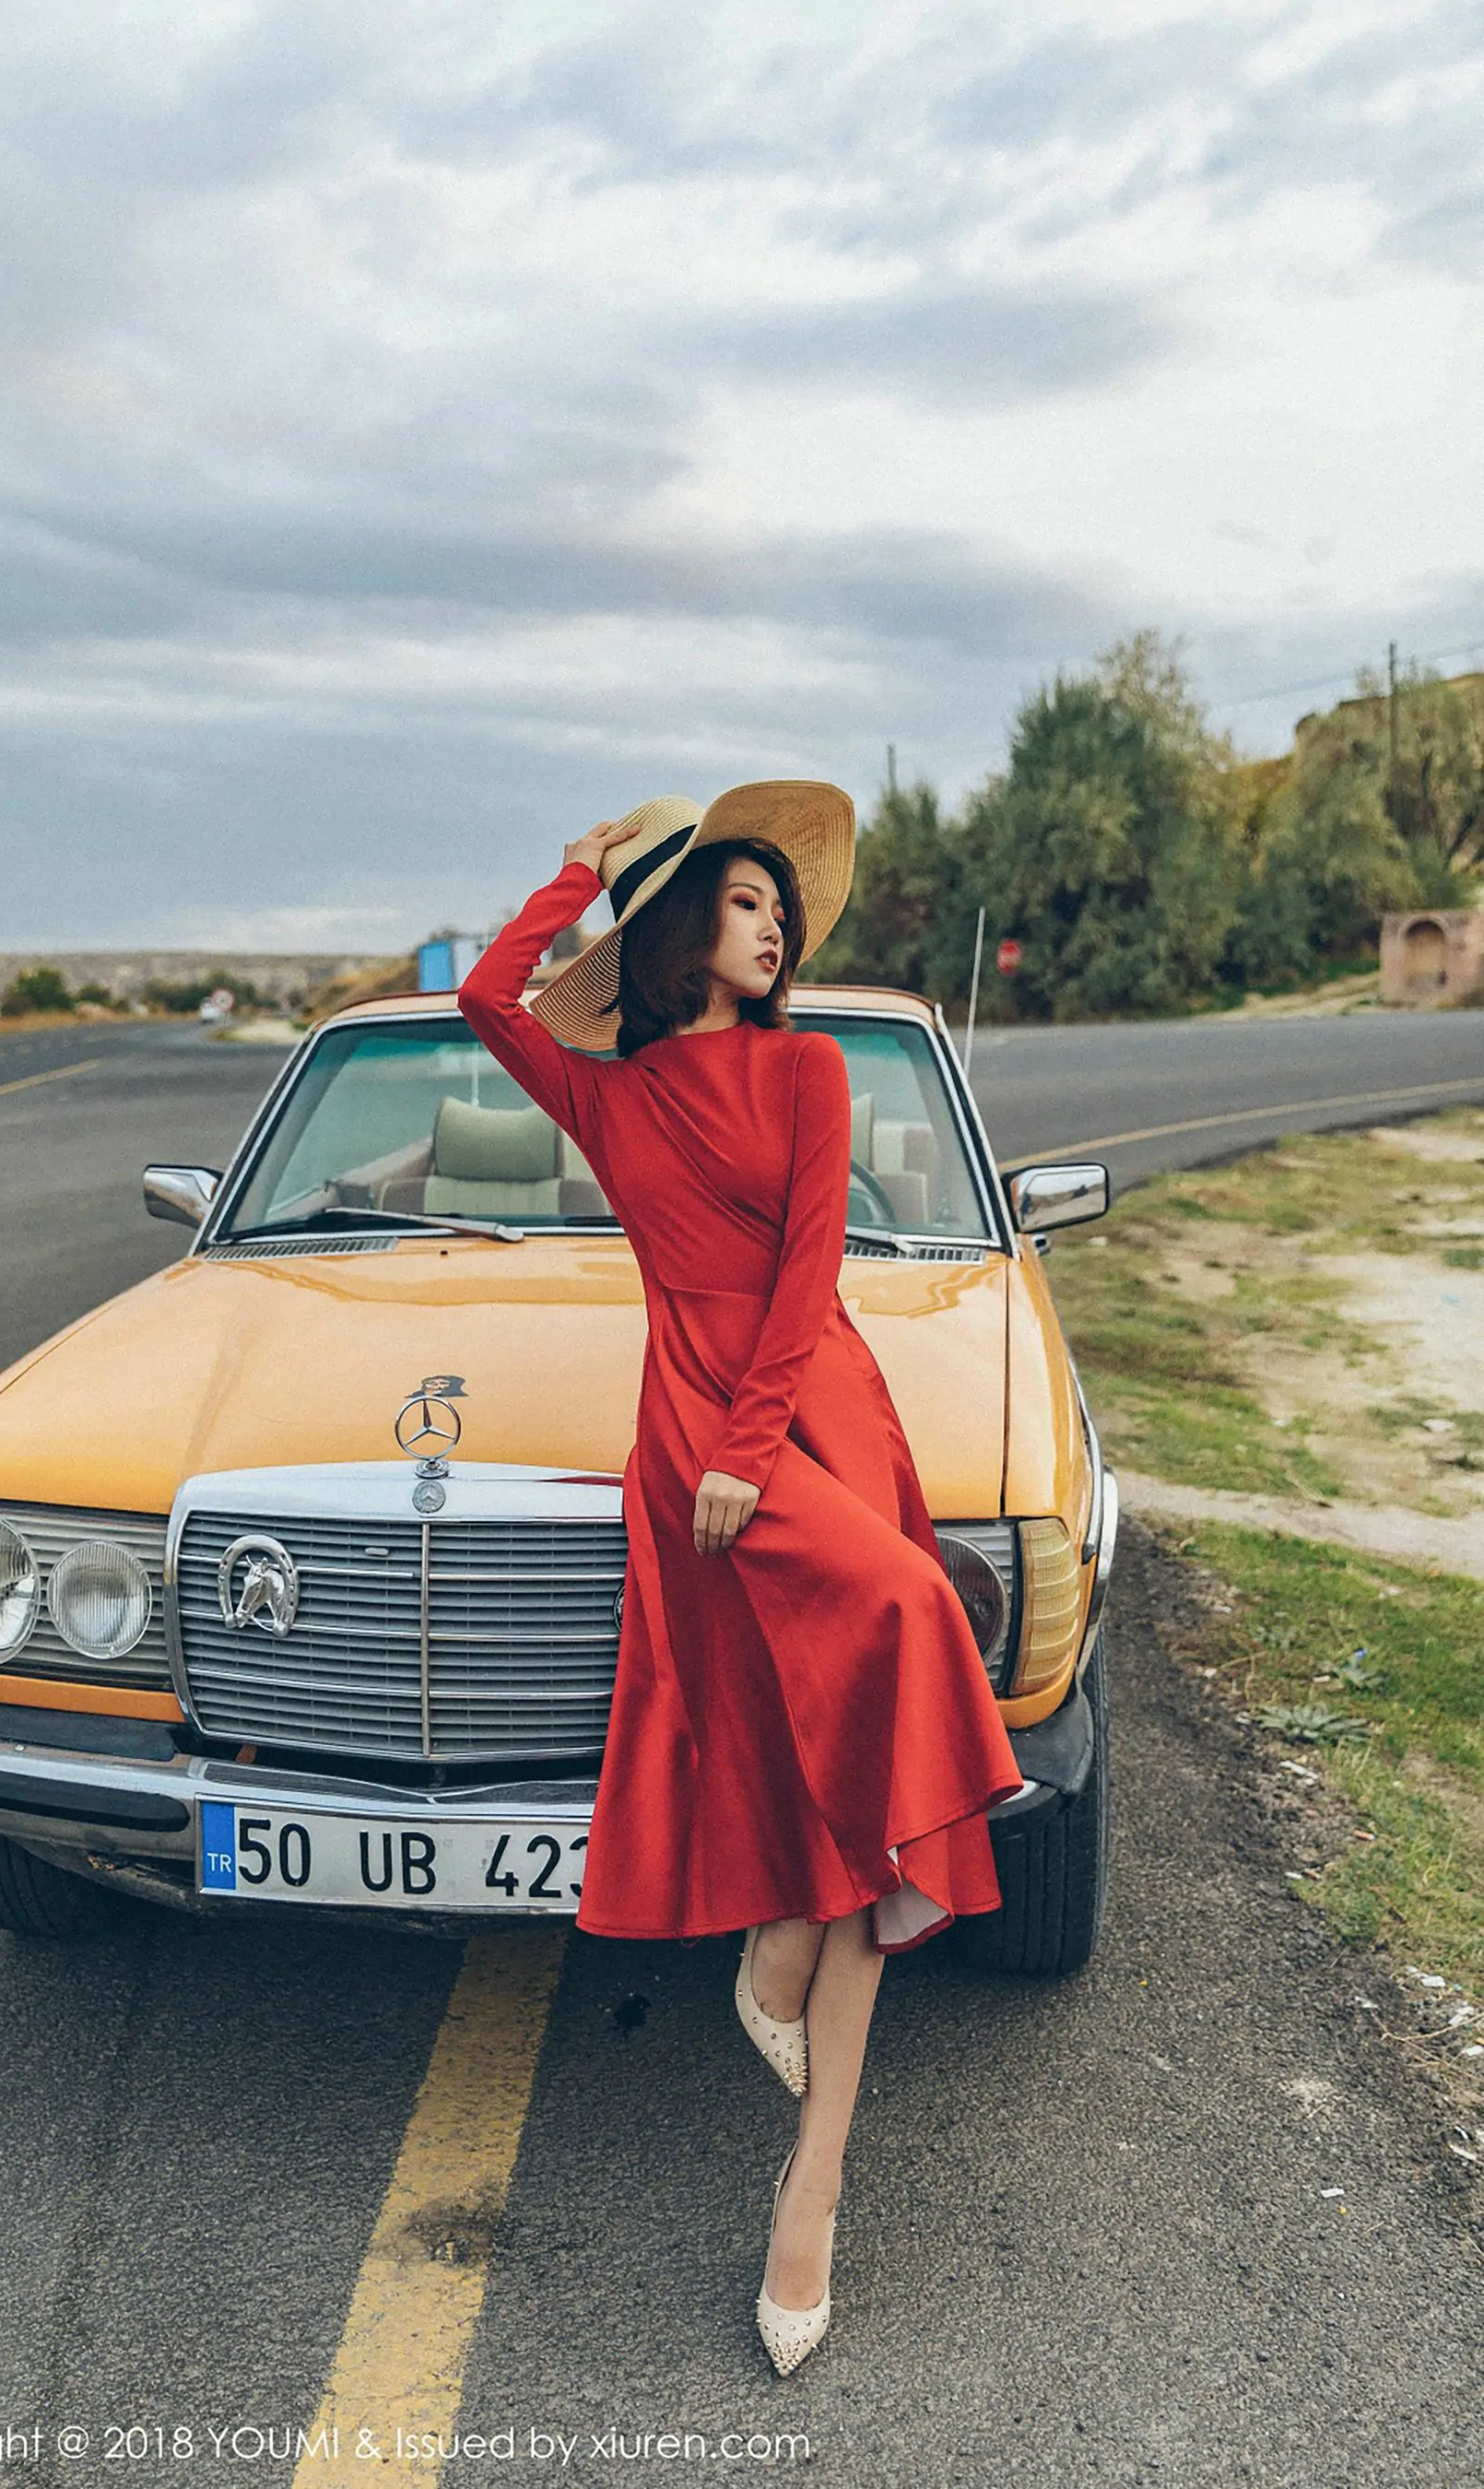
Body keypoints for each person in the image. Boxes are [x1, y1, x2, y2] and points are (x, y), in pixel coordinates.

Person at [457, 783, 1024, 2375]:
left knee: (903, 1621)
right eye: (748, 899)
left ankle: (807, 2167)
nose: (778, 927)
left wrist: (750, 1448)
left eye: (785, 907)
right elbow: (487, 998)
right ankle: (802, 2054)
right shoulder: (610, 1095)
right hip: (686, 1440)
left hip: (803, 1411)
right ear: (677, 925)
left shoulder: (809, 1066)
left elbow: (805, 1269)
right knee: (816, 1788)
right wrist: (577, 870)